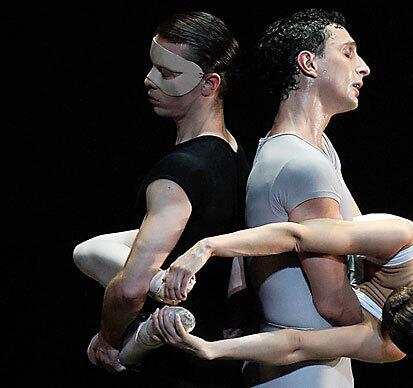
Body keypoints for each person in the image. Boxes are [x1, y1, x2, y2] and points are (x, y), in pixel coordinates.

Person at [73, 11, 250, 386]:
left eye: (168, 73)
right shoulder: (234, 152)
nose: (149, 79)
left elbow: (132, 288)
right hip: (215, 352)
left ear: (209, 84)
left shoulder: (180, 171)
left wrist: (106, 338)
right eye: (153, 66)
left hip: (177, 361)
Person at [211, 8, 370, 387]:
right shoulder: (299, 163)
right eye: (348, 53)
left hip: (319, 363)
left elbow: (364, 246)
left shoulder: (319, 150)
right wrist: (404, 325)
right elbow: (333, 301)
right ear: (308, 63)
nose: (363, 67)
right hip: (304, 373)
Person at [160, 213, 413, 364]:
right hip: (315, 212)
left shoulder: (388, 344)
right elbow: (298, 235)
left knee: (335, 307)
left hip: (293, 265)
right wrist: (207, 248)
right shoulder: (403, 242)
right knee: (332, 299)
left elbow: (298, 343)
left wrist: (212, 349)